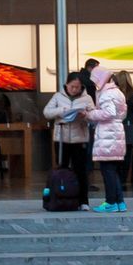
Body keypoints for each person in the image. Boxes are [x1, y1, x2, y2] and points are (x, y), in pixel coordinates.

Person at [44, 74, 93, 209]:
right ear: (66, 85)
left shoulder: (87, 98)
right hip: (61, 139)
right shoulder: (58, 97)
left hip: (80, 138)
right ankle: (61, 199)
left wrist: (85, 115)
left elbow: (94, 116)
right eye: (72, 87)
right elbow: (47, 112)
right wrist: (61, 111)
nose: (74, 89)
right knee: (62, 169)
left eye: (77, 87)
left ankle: (83, 201)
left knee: (80, 170)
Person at [86, 68, 128, 213]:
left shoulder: (106, 94)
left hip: (107, 136)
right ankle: (119, 201)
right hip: (117, 133)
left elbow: (109, 113)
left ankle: (110, 202)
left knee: (107, 170)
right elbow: (121, 114)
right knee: (113, 170)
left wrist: (90, 114)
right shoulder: (119, 93)